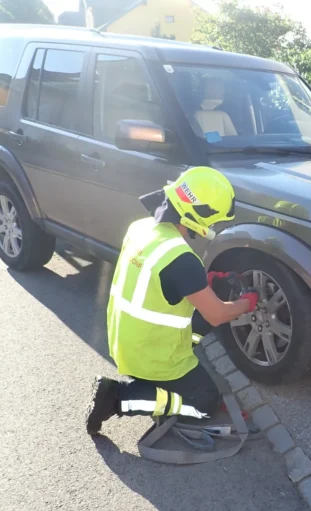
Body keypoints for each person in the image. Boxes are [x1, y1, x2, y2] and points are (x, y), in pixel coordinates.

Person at [84, 166, 260, 436]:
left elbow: (159, 280)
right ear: (199, 217)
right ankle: (118, 397)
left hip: (127, 339)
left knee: (210, 300)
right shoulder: (182, 259)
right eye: (214, 222)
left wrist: (205, 282)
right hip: (151, 357)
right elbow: (217, 315)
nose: (213, 227)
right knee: (205, 403)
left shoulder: (140, 228)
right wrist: (247, 302)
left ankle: (157, 378)